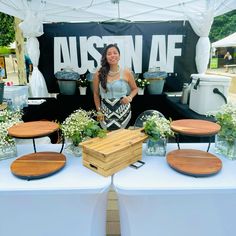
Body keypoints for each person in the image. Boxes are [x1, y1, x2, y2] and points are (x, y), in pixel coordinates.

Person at [93, 44, 138, 130]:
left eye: (115, 53)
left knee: (123, 139)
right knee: (106, 139)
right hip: (104, 112)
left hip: (123, 112)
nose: (112, 55)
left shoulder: (126, 72)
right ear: (105, 57)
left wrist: (129, 97)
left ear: (119, 56)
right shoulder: (98, 73)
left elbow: (135, 89)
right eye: (109, 54)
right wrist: (99, 111)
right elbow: (95, 94)